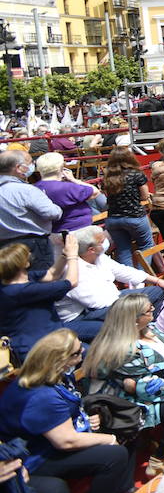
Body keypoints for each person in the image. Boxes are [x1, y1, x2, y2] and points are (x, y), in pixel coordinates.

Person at [0, 329, 135, 493]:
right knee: (114, 453)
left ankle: (123, 489)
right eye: (77, 352)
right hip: (37, 456)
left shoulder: (59, 376)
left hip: (53, 437)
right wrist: (109, 438)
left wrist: (86, 419)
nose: (83, 352)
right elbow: (66, 441)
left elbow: (68, 411)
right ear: (60, 360)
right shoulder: (42, 396)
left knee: (126, 424)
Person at [84, 293, 164, 473]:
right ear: (134, 320)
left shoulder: (152, 329)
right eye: (148, 310)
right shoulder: (122, 349)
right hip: (134, 401)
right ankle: (161, 455)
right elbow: (142, 386)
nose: (153, 310)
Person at [55, 225, 164, 333]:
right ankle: (139, 334)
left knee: (158, 292)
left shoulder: (99, 257)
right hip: (85, 314)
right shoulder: (72, 269)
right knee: (140, 305)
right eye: (101, 242)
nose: (106, 243)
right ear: (91, 249)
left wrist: (158, 281)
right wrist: (131, 303)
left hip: (112, 299)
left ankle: (151, 330)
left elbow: (123, 271)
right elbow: (96, 302)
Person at [0, 235, 81, 359]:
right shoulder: (21, 291)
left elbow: (52, 274)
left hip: (51, 335)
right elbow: (72, 281)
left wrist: (64, 255)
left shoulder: (19, 279)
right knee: (89, 351)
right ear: (23, 264)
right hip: (39, 347)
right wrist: (73, 255)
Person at [0, 150, 64, 279]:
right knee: (40, 283)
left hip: (4, 245)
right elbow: (53, 213)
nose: (31, 166)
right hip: (33, 245)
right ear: (19, 168)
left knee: (11, 283)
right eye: (29, 163)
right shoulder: (27, 190)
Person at [100, 147, 157, 267]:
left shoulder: (106, 177)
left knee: (123, 249)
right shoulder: (136, 175)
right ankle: (142, 278)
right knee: (146, 246)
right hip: (135, 216)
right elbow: (144, 196)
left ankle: (130, 281)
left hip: (113, 218)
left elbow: (107, 196)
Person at [33, 154, 104, 235]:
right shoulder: (67, 187)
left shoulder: (34, 188)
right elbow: (95, 192)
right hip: (79, 230)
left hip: (53, 232)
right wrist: (73, 179)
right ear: (61, 168)